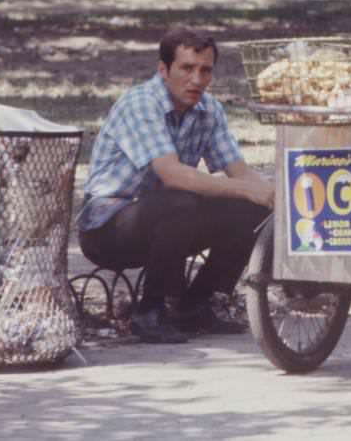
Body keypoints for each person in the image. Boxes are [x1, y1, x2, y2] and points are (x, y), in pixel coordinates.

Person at [76, 25, 275, 344]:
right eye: (186, 68)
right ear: (163, 69)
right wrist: (249, 190)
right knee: (180, 200)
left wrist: (271, 195)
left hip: (170, 221)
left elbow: (239, 171)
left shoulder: (209, 109)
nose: (197, 79)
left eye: (205, 70)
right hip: (108, 230)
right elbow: (172, 174)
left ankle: (195, 305)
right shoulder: (141, 104)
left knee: (252, 209)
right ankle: (149, 311)